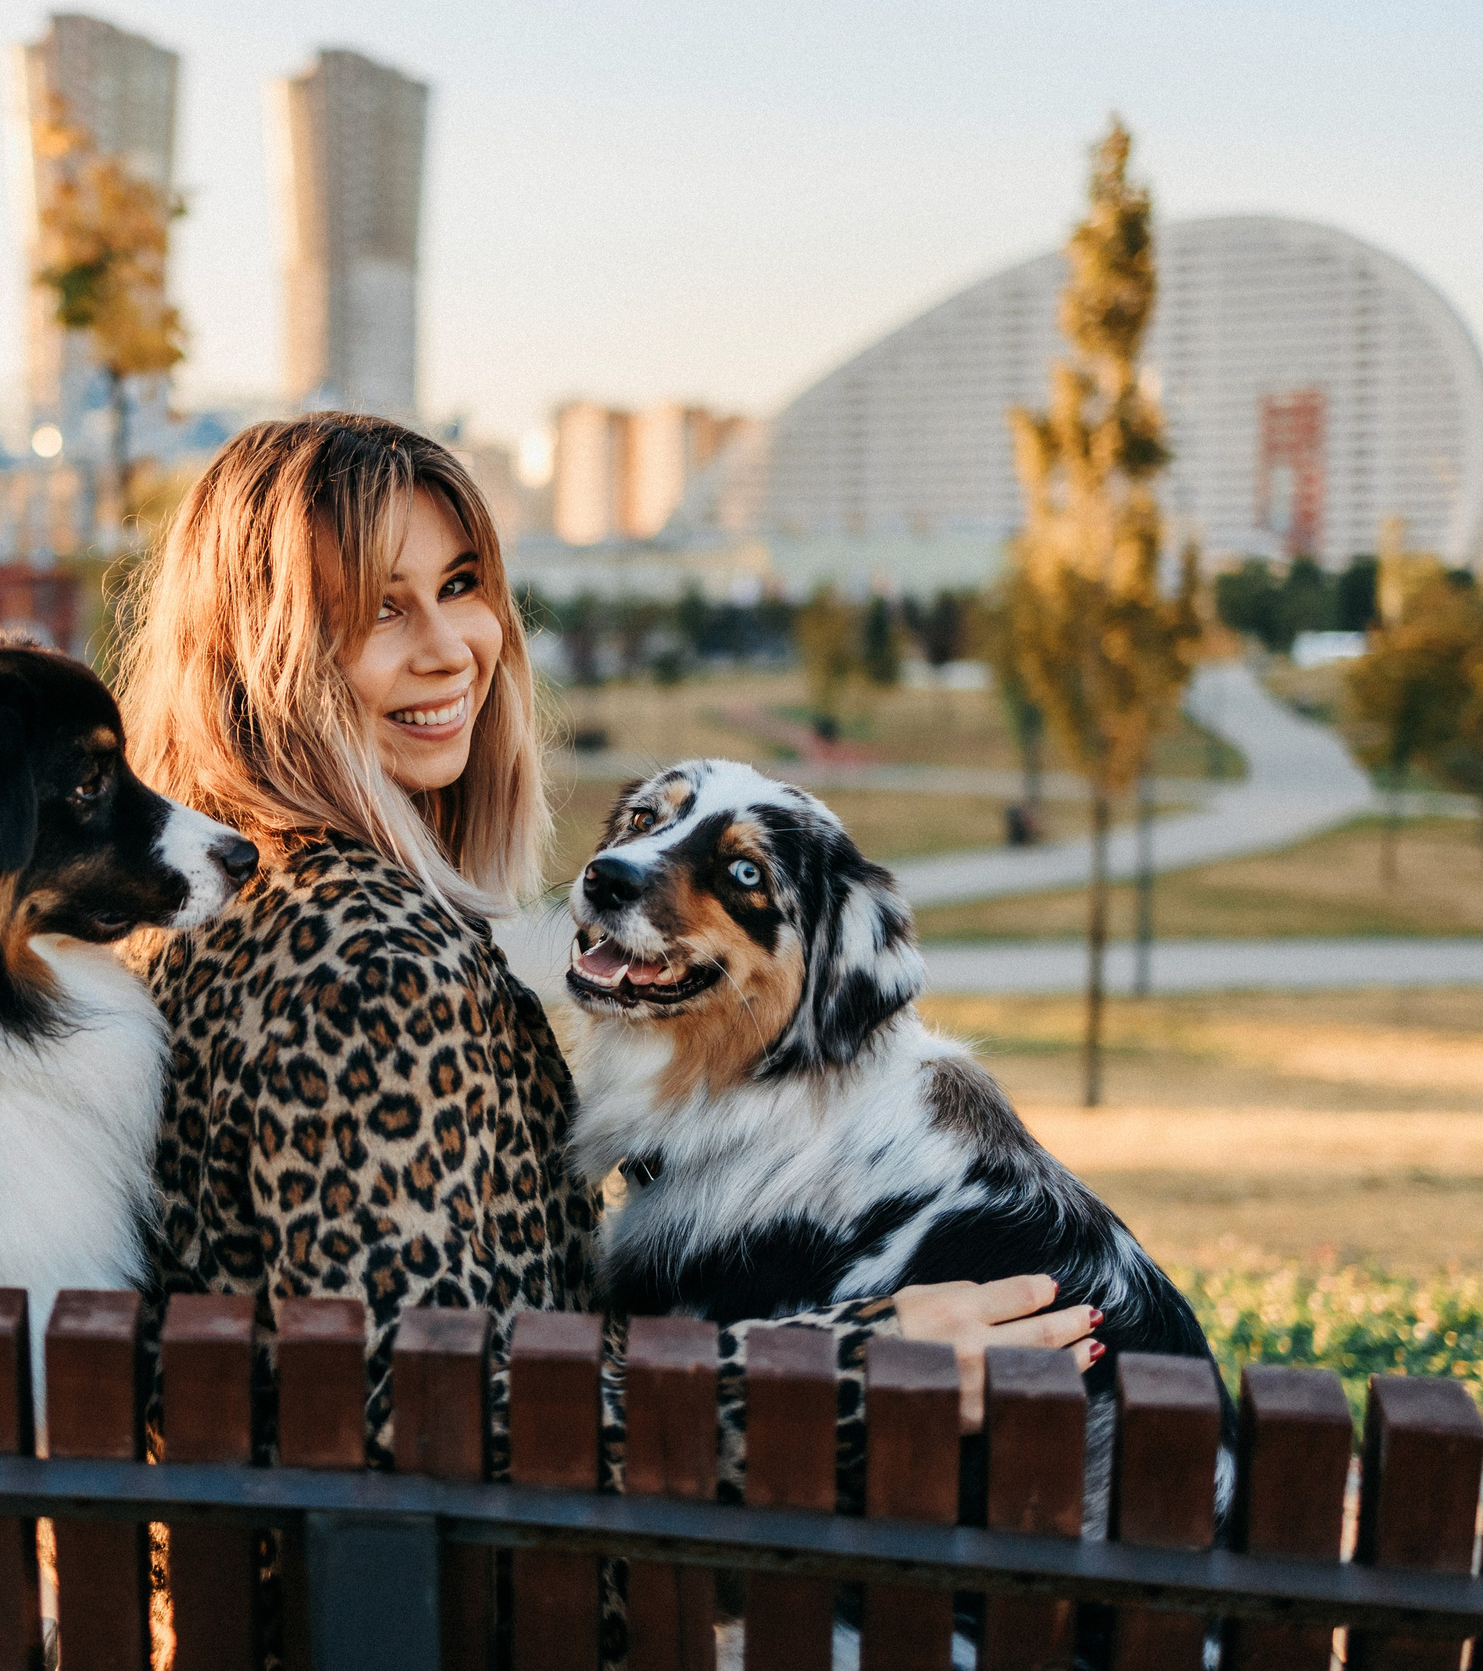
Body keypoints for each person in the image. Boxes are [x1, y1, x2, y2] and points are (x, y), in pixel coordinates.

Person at [117, 412, 1096, 1472]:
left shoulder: (210, 904)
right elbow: (426, 1413)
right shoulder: (364, 964)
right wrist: (860, 1369)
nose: (453, 649)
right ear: (264, 649)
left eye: (459, 586)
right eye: (376, 611)